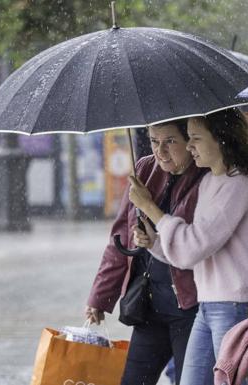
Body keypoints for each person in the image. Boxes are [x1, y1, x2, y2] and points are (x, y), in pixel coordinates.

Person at [128, 109, 248, 385]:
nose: (189, 146)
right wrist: (154, 242)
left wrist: (150, 208)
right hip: (208, 304)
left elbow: (193, 245)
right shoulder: (210, 181)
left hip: (236, 306)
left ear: (221, 140)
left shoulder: (239, 184)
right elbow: (188, 256)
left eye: (195, 138)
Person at [85, 120, 205, 385]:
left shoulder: (206, 176)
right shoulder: (145, 169)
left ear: (190, 141)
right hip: (149, 303)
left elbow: (196, 242)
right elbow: (120, 240)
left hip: (191, 304)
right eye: (153, 141)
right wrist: (100, 296)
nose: (160, 151)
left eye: (170, 142)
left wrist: (149, 208)